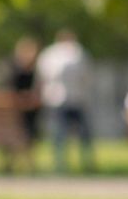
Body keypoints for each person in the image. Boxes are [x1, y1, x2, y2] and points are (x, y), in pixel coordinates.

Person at [38, 29, 95, 173]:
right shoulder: (62, 54)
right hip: (63, 99)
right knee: (62, 134)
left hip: (73, 99)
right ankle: (62, 162)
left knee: (79, 134)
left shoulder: (73, 54)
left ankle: (80, 162)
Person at [7, 36, 42, 160]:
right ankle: (27, 159)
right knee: (24, 130)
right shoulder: (18, 71)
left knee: (26, 129)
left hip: (26, 110)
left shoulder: (16, 70)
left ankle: (25, 159)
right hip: (18, 110)